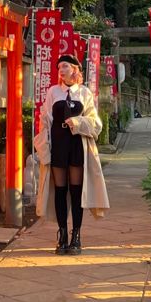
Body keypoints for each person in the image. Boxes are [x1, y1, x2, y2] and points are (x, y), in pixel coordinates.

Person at [34, 53, 109, 254]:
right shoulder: (53, 92)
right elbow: (45, 120)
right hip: (58, 145)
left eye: (65, 66)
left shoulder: (85, 93)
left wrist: (77, 122)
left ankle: (76, 235)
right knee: (60, 190)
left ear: (75, 69)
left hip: (77, 145)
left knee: (76, 191)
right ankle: (62, 234)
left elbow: (96, 124)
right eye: (60, 67)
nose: (61, 69)